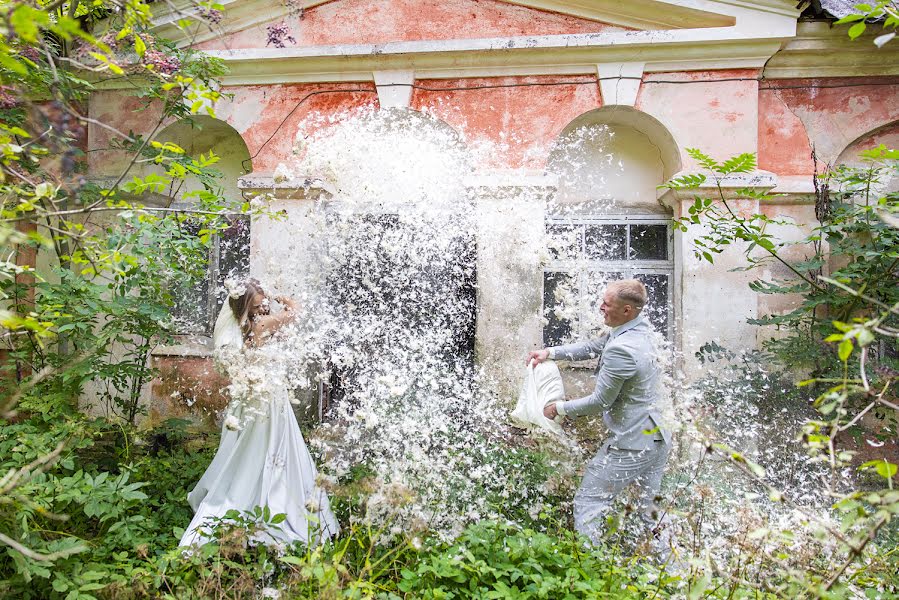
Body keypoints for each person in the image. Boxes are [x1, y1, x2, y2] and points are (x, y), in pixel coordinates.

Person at [179, 279, 339, 547]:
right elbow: (296, 310)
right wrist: (277, 293)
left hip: (247, 399)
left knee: (244, 451)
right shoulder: (264, 324)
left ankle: (245, 493)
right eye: (259, 304)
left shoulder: (240, 329)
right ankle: (270, 501)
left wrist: (263, 297)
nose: (264, 306)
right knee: (270, 449)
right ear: (250, 306)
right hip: (269, 399)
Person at [528, 279, 671, 548]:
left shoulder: (623, 350)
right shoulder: (639, 330)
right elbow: (594, 347)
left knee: (589, 501)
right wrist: (550, 352)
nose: (601, 307)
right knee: (649, 513)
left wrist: (557, 409)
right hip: (657, 435)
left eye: (607, 303)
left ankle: (592, 571)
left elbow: (600, 402)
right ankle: (672, 573)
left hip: (633, 443)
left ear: (627, 309)